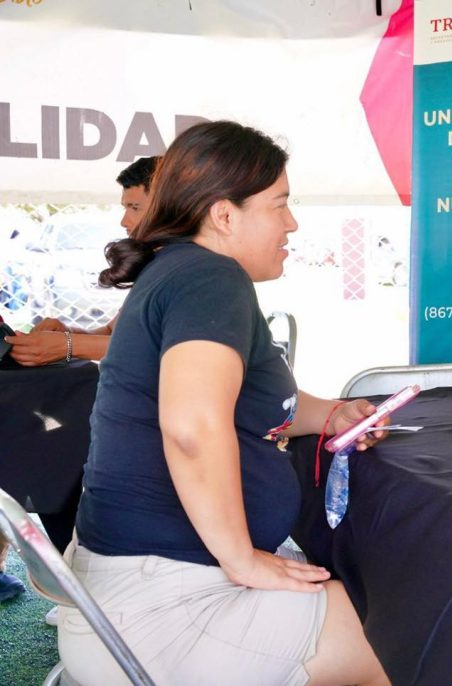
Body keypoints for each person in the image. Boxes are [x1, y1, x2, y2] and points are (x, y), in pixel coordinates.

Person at [59, 121, 390, 686]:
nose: (292, 223)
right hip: (163, 613)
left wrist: (331, 414)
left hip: (132, 596)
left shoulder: (183, 271)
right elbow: (192, 425)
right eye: (280, 204)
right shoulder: (210, 278)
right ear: (224, 215)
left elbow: (248, 403)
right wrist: (242, 559)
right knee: (406, 637)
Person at [3, 156, 160, 366]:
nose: (124, 221)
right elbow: (112, 333)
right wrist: (67, 334)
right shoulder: (154, 264)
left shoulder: (185, 271)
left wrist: (68, 345)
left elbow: (155, 347)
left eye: (135, 208)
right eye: (125, 208)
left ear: (169, 205)